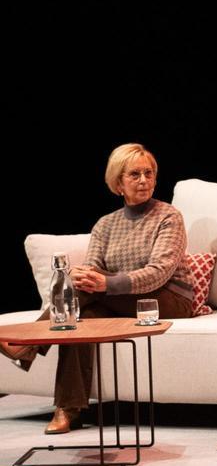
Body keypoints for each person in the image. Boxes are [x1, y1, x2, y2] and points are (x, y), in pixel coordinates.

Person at [2, 143, 194, 434]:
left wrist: (104, 282)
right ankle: (68, 408)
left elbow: (158, 274)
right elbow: (92, 268)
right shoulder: (105, 225)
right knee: (82, 318)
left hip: (168, 299)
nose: (144, 180)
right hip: (119, 299)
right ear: (118, 182)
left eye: (149, 173)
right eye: (135, 175)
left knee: (88, 292)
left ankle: (28, 343)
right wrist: (87, 277)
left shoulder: (168, 217)